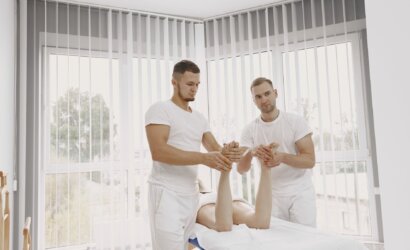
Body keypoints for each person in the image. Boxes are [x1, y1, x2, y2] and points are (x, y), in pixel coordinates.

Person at [145, 60, 242, 250]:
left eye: (197, 84)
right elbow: (158, 152)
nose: (194, 89)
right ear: (174, 82)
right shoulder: (160, 109)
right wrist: (204, 158)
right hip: (166, 193)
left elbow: (215, 150)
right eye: (190, 84)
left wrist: (230, 150)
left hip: (191, 196)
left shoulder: (199, 118)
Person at [238, 77, 317, 227]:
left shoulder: (295, 122)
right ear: (253, 100)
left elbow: (309, 160)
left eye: (267, 94)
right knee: (275, 240)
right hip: (270, 194)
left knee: (305, 239)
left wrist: (281, 157)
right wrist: (251, 153)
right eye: (258, 97)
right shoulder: (249, 130)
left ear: (275, 93)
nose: (264, 99)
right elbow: (241, 169)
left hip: (300, 191)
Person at [196, 142, 278, 232]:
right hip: (206, 199)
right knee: (225, 226)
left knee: (260, 223)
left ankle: (265, 167)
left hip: (208, 197)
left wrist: (226, 154)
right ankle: (226, 169)